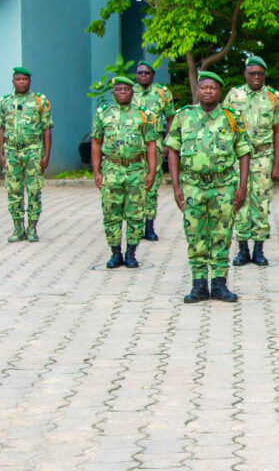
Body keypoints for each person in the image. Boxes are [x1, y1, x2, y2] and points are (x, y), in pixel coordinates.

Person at [165, 71, 252, 304]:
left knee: (222, 235)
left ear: (219, 92)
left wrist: (242, 187)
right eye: (204, 87)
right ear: (198, 90)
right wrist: (176, 187)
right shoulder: (183, 116)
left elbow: (244, 152)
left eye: (213, 88)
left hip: (224, 185)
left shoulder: (232, 118)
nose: (208, 91)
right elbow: (172, 151)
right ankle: (199, 285)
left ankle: (220, 285)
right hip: (193, 185)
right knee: (195, 235)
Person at [90, 76, 159, 269]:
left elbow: (151, 144)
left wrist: (151, 171)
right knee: (111, 213)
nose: (122, 92)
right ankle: (114, 253)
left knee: (136, 213)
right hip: (111, 169)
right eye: (119, 89)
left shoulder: (144, 115)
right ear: (113, 92)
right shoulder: (104, 113)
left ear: (132, 92)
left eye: (126, 89)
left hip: (136, 169)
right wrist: (96, 170)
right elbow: (96, 142)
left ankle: (131, 253)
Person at [224, 56, 279, 267]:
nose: (256, 77)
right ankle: (242, 250)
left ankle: (259, 250)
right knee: (239, 201)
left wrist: (277, 164)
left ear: (264, 75)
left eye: (260, 73)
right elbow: (224, 127)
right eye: (252, 73)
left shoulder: (274, 98)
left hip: (263, 157)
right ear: (245, 74)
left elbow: (278, 133)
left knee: (261, 202)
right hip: (238, 158)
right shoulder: (233, 95)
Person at [0, 67, 52, 243]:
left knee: (34, 190)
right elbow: (2, 128)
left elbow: (46, 130)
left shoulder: (39, 101)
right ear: (13, 81)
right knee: (13, 191)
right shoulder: (5, 101)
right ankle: (18, 228)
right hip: (12, 151)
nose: (21, 82)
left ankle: (32, 228)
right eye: (18, 79)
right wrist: (1, 153)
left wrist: (46, 155)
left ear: (30, 81)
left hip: (32, 151)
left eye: (25, 79)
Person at [132, 60, 175, 241]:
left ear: (153, 75)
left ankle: (149, 226)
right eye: (140, 73)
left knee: (151, 185)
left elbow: (171, 117)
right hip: (133, 146)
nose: (143, 76)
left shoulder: (162, 93)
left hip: (155, 145)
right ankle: (135, 225)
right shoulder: (129, 91)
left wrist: (167, 142)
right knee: (134, 185)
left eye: (146, 73)